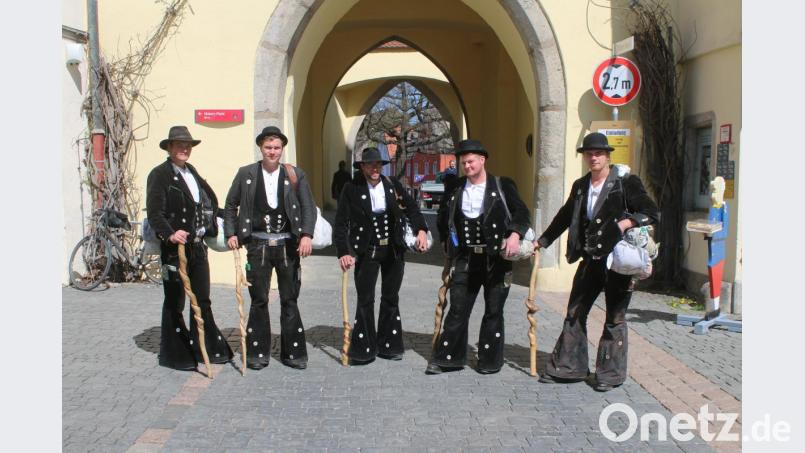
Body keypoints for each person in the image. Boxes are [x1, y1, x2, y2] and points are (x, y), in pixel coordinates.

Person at [534, 132, 659, 391]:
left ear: (607, 156)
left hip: (618, 261)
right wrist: (543, 241)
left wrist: (626, 222)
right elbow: (565, 215)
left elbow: (650, 211)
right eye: (589, 154)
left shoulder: (625, 182)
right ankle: (569, 368)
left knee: (615, 316)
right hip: (590, 258)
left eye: (598, 153)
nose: (594, 157)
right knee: (575, 312)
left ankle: (609, 375)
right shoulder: (581, 186)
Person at [426, 139, 531, 375]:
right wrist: (446, 242)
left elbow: (522, 212)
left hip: (496, 260)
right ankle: (448, 358)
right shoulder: (455, 188)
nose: (467, 166)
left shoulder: (502, 185)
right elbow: (444, 217)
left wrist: (515, 234)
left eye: (471, 161)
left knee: (494, 310)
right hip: (465, 259)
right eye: (464, 162)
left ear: (482, 160)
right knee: (458, 308)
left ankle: (489, 360)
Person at [223, 126, 316, 370]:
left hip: (287, 245)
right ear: (261, 148)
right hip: (258, 245)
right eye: (268, 147)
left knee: (289, 299)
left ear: (282, 148)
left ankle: (294, 353)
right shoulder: (246, 173)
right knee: (259, 299)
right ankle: (257, 353)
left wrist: (306, 235)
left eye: (276, 147)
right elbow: (231, 204)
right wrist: (231, 233)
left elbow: (308, 206)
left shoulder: (295, 174)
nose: (272, 152)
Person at [146, 125, 233, 370]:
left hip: (197, 248)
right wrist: (170, 234)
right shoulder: (159, 175)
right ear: (170, 147)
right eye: (179, 144)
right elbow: (155, 213)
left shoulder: (191, 172)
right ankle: (175, 354)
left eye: (188, 145)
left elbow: (206, 205)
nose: (184, 148)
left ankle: (207, 347)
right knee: (175, 301)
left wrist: (229, 221)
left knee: (203, 299)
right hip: (175, 250)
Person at [334, 147, 429, 364]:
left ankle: (390, 345)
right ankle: (364, 348)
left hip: (393, 250)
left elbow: (412, 208)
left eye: (378, 164)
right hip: (366, 251)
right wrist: (344, 252)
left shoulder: (392, 184)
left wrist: (421, 229)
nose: (375, 168)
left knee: (390, 297)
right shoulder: (351, 188)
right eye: (370, 164)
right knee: (365, 299)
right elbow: (340, 224)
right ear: (363, 167)